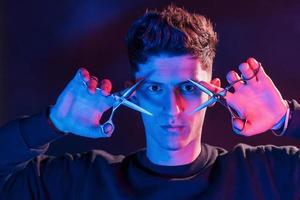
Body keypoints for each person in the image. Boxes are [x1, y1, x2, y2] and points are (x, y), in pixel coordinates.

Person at [0, 5, 299, 200]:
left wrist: (285, 117)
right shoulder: (85, 182)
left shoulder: (265, 174)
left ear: (213, 92)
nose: (173, 109)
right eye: (155, 88)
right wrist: (52, 123)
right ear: (133, 93)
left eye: (188, 87)